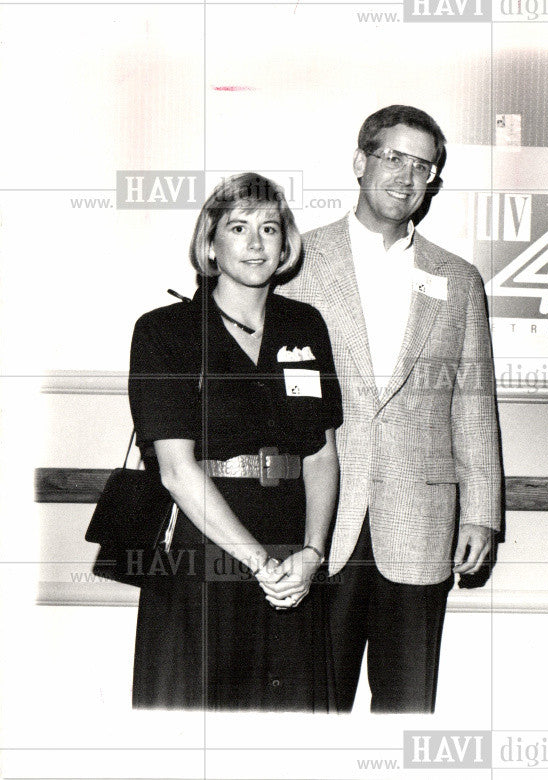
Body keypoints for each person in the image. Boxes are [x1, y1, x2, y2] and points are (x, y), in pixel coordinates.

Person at [279, 105, 501, 713]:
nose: (407, 177)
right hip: (318, 523)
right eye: (393, 158)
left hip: (422, 524)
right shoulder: (294, 263)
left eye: (422, 166)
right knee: (311, 707)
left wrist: (481, 513)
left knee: (407, 713)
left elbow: (473, 401)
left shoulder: (458, 279)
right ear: (360, 161)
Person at [128, 172, 342, 711]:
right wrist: (257, 563)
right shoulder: (164, 332)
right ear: (210, 243)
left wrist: (312, 554)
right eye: (238, 227)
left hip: (293, 558)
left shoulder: (306, 325)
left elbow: (321, 454)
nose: (254, 243)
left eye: (269, 228)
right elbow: (177, 470)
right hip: (207, 553)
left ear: (285, 244)